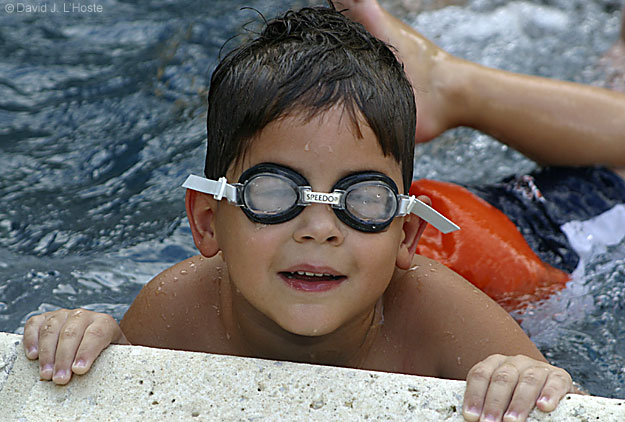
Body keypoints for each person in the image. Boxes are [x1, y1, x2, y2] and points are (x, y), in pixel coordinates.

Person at [22, 5, 573, 422]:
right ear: (208, 221)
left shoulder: (437, 314)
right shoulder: (178, 310)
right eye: (273, 194)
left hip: (516, 235)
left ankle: (457, 87)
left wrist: (528, 380)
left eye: (361, 198)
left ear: (406, 235)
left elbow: (574, 405)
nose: (318, 230)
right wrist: (94, 346)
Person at [331, 0, 625, 308]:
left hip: (489, 237)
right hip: (477, 237)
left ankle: (449, 87)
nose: (318, 232)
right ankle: (449, 87)